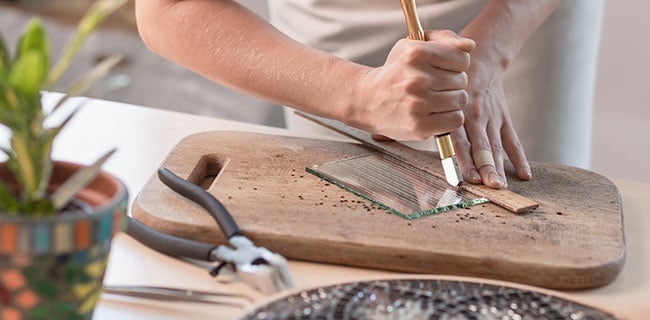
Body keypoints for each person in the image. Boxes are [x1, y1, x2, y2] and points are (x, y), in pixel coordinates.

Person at [135, 0, 604, 189]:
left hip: (515, 18)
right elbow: (168, 9)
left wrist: (488, 53)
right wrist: (357, 94)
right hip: (330, 23)